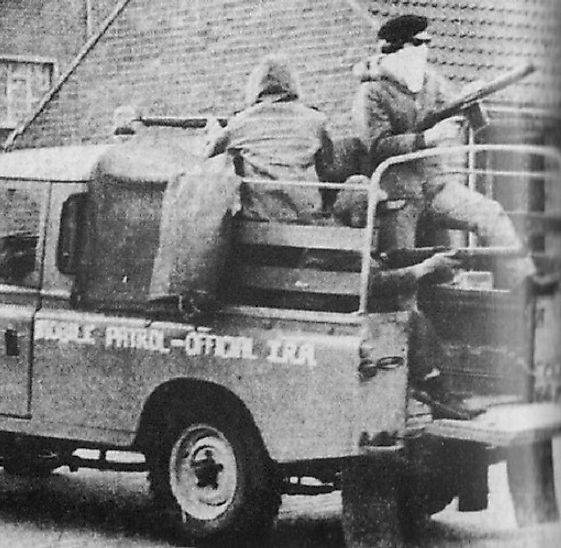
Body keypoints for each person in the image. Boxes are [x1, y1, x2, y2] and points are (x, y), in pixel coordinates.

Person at [352, 14, 538, 289]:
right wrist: (425, 139)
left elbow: (454, 108)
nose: (424, 51)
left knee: (490, 214)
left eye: (427, 44)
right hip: (397, 198)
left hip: (435, 187)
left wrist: (468, 97)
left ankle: (528, 287)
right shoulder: (372, 93)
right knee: (403, 270)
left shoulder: (430, 84)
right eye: (417, 44)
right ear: (397, 48)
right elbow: (376, 148)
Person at [302, 184, 482, 419]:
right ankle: (438, 393)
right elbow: (376, 283)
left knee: (414, 319)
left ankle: (439, 390)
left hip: (349, 302)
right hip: (337, 308)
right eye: (373, 212)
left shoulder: (345, 233)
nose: (378, 219)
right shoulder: (337, 241)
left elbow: (381, 261)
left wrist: (431, 254)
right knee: (414, 321)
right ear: (358, 212)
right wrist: (424, 268)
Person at [203, 53, 339, 224]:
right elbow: (329, 167)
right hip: (305, 215)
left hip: (262, 216)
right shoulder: (316, 120)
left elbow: (207, 157)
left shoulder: (242, 122)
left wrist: (214, 131)